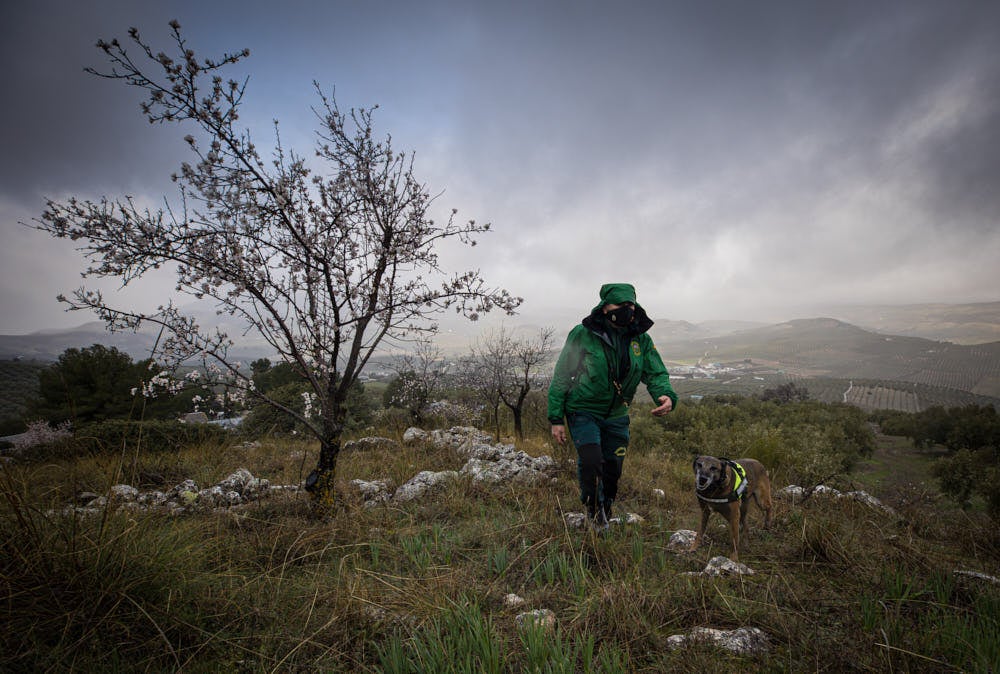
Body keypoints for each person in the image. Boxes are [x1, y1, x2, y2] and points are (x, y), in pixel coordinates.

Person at [547, 283, 677, 528]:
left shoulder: (641, 339)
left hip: (617, 415)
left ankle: (606, 507)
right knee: (592, 461)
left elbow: (656, 372)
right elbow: (562, 374)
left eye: (631, 305)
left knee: (613, 470)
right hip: (583, 410)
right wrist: (556, 418)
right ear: (605, 308)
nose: (628, 310)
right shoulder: (583, 334)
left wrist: (665, 395)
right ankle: (593, 510)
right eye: (621, 305)